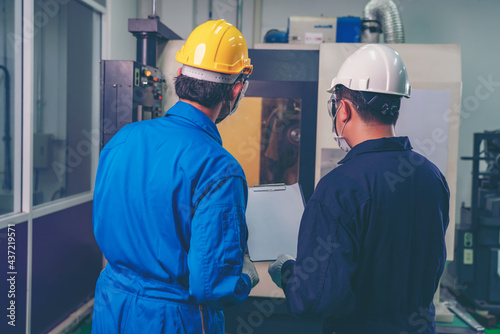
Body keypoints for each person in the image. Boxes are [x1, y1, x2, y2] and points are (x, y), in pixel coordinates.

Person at [268, 44, 449, 334]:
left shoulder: (339, 189)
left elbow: (316, 299)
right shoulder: (432, 177)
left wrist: (288, 272)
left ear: (343, 109)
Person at [92, 19, 259, 334]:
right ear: (236, 89)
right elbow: (211, 286)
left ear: (180, 74)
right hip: (170, 320)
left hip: (111, 307)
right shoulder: (219, 168)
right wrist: (245, 277)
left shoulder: (122, 139)